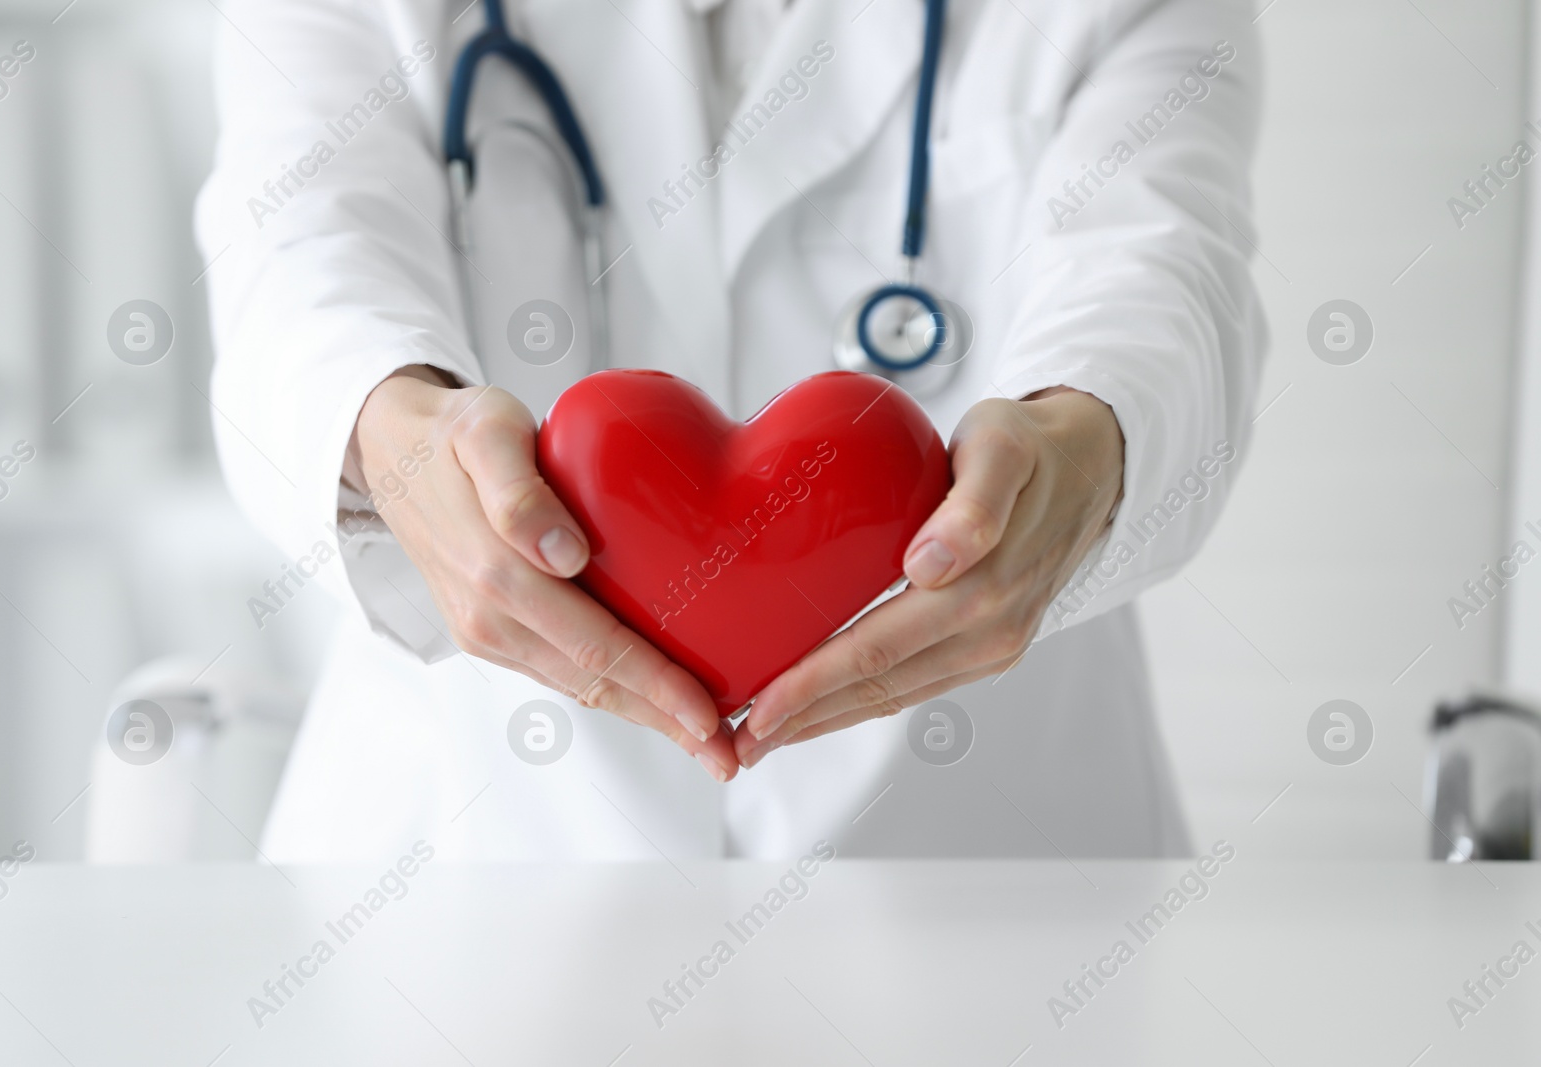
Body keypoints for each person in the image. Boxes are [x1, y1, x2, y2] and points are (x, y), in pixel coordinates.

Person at [196, 0, 1264, 861]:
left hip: (985, 865)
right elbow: (295, 257)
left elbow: (1163, 271)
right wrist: (392, 427)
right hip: (477, 861)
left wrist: (1084, 440)